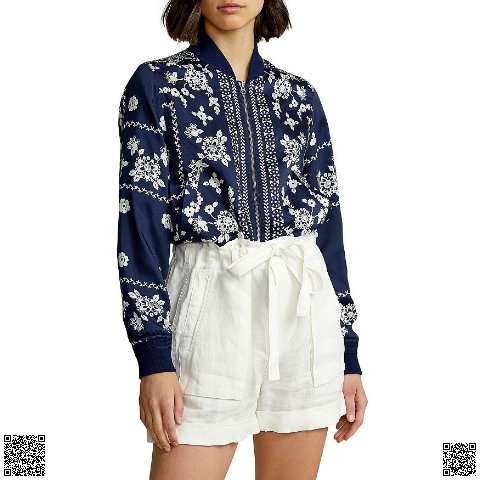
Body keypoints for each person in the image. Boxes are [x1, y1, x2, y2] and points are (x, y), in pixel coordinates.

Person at [117, 0, 368, 478]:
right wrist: (153, 355)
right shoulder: (155, 85)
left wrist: (348, 351)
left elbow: (328, 236)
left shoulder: (299, 96)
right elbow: (140, 227)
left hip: (302, 313)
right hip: (211, 310)